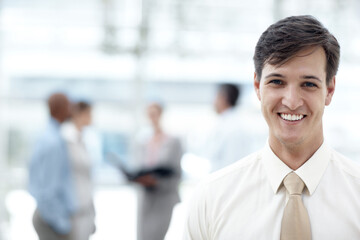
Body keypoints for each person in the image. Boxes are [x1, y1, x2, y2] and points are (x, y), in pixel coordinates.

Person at [184, 15, 360, 239]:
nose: (292, 101)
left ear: (330, 90)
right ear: (258, 86)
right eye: (277, 81)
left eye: (308, 84)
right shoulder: (212, 198)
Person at [28, 93, 76, 240]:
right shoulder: (53, 142)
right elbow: (49, 189)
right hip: (51, 219)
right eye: (69, 106)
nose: (71, 110)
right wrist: (61, 224)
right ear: (60, 108)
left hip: (49, 216)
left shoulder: (49, 136)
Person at [132, 102, 183, 240]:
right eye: (149, 115)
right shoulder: (143, 141)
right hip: (146, 197)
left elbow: (176, 172)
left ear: (161, 115)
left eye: (154, 114)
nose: (152, 118)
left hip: (164, 197)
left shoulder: (173, 141)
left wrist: (157, 181)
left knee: (157, 235)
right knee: (143, 236)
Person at [61, 100, 96, 240]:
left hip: (85, 205)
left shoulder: (83, 139)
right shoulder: (65, 139)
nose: (92, 117)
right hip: (73, 207)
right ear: (78, 114)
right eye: (89, 113)